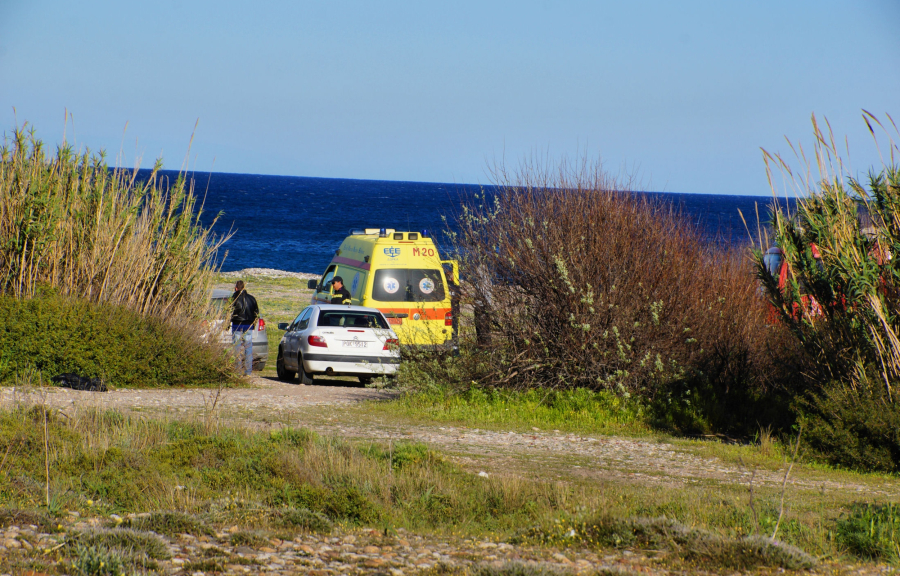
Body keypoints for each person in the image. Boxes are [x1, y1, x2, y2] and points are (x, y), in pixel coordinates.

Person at [231, 280, 259, 376]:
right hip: (248, 325)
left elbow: (228, 311)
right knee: (248, 348)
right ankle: (248, 371)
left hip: (237, 325)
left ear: (236, 288)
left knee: (237, 348)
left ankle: (237, 370)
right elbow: (256, 312)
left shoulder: (234, 298)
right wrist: (253, 323)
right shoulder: (251, 298)